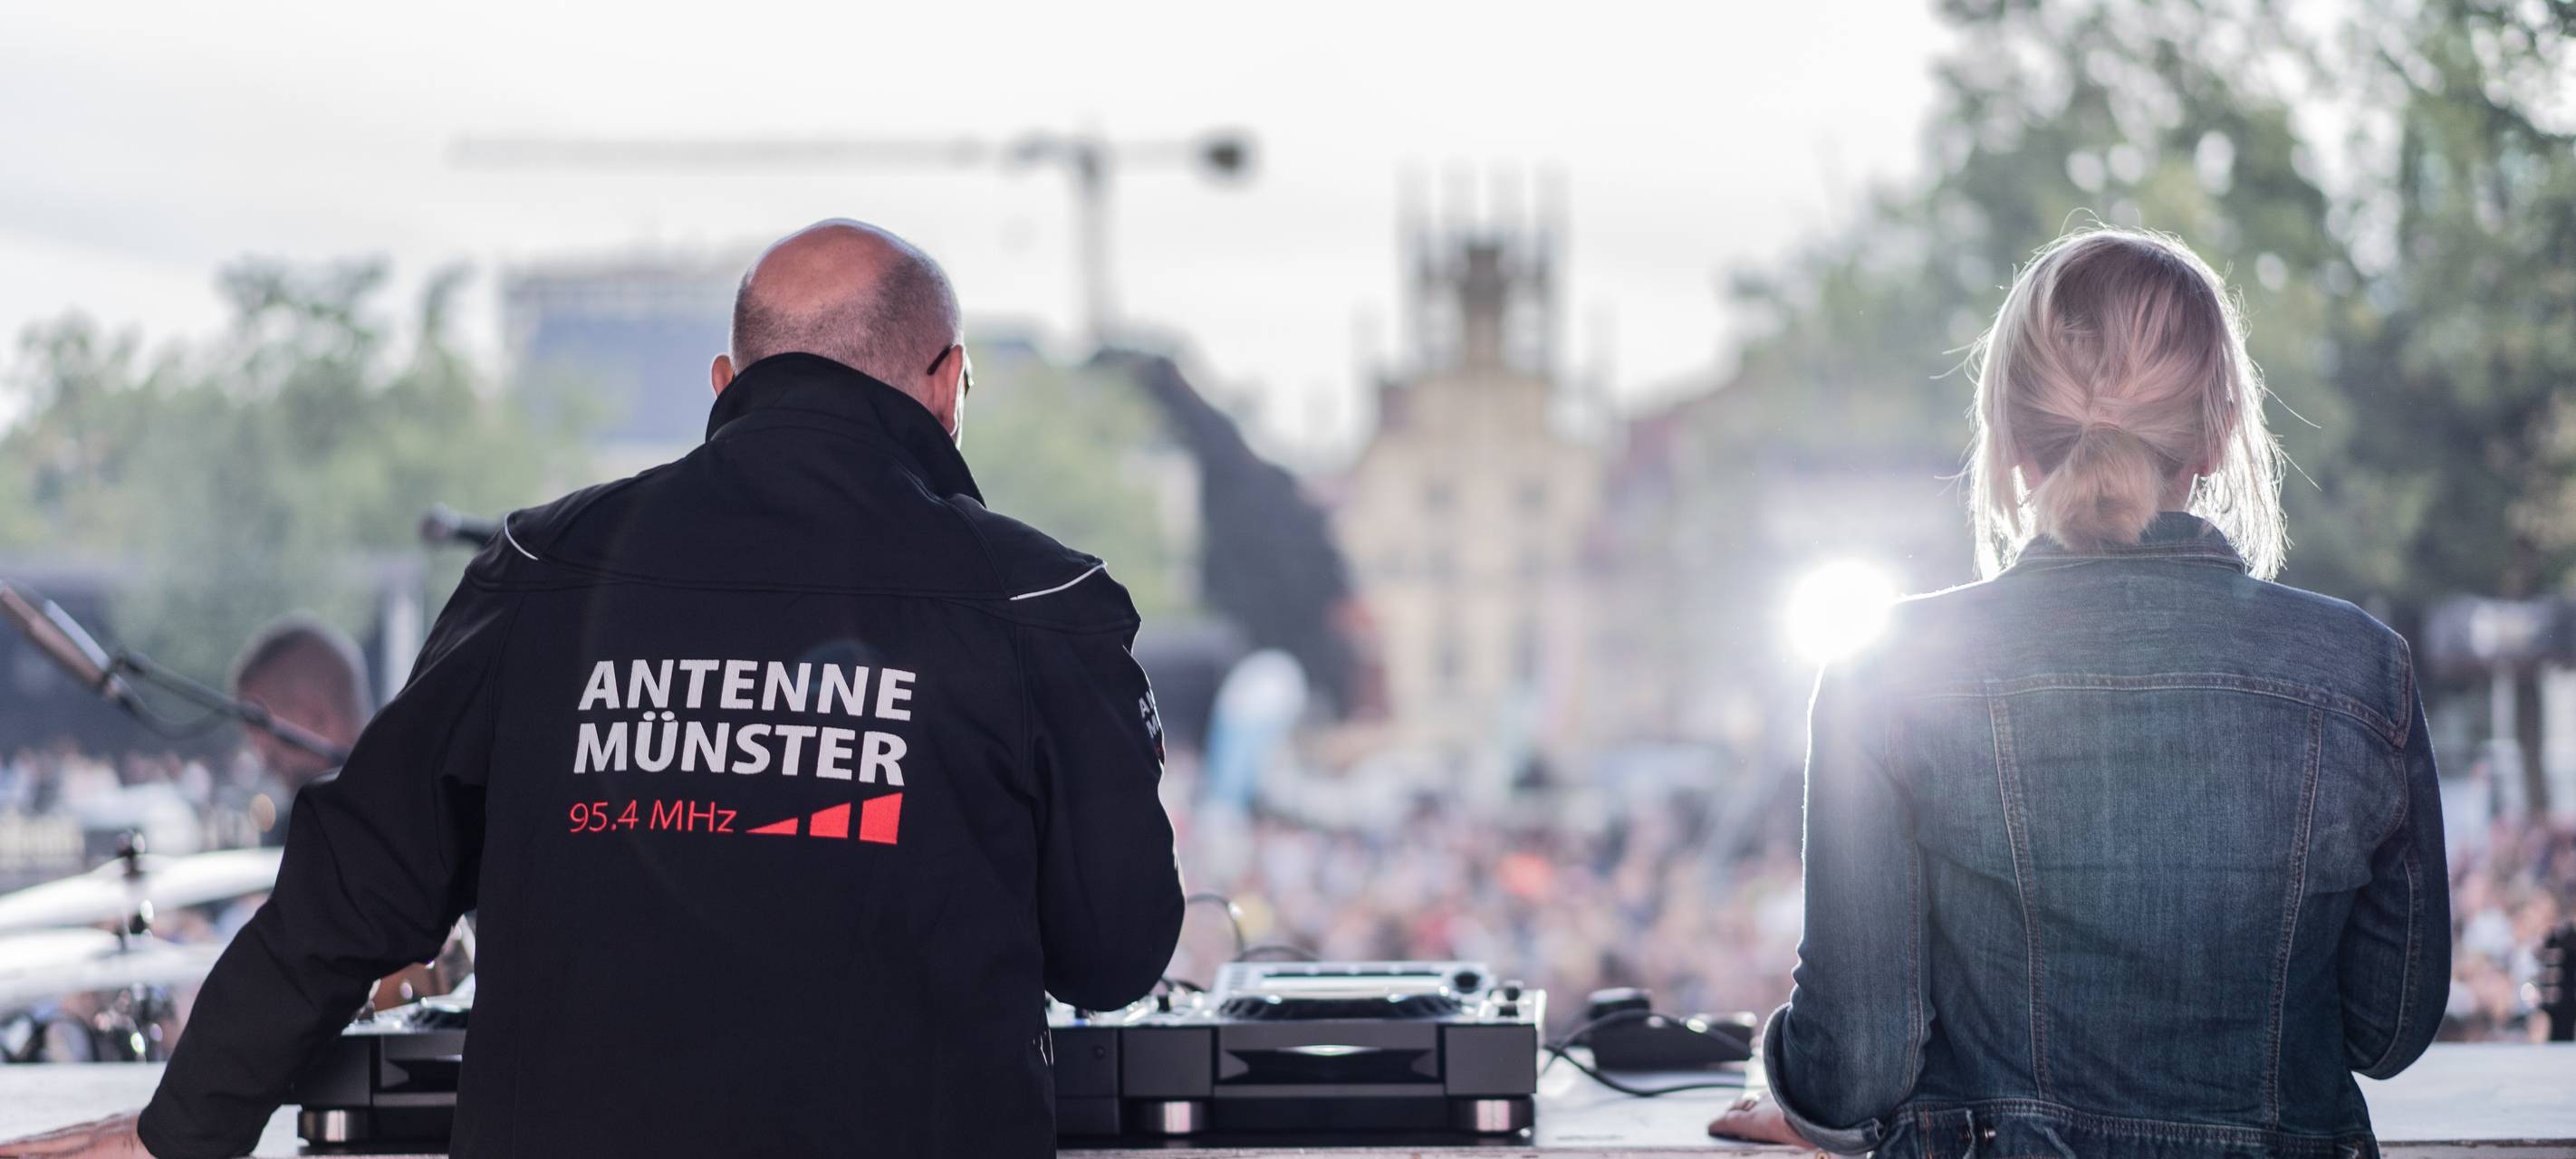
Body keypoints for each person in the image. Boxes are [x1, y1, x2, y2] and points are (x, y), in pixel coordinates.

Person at [31, 218, 1186, 1159]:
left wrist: (179, 1132)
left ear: (727, 382)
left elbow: (354, 885)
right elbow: (1115, 951)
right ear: (947, 385)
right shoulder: (1040, 600)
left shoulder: (546, 568)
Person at [1711, 226, 2448, 1156]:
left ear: (2013, 436)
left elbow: (1858, 1061)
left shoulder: (1886, 670)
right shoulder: (2359, 668)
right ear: (2218, 434)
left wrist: (1791, 1084)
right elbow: (2388, 1031)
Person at [226, 615, 371, 843]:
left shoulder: (309, 833)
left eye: (259, 726)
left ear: (311, 712)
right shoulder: (422, 806)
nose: (262, 759)